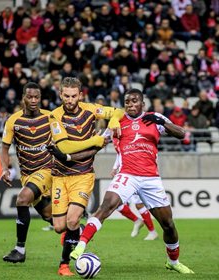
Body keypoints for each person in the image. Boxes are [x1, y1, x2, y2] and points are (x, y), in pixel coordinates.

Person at [70, 88, 194, 274]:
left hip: (151, 178)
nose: (130, 104)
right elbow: (96, 145)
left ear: (142, 104)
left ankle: (173, 262)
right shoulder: (117, 122)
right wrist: (69, 157)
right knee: (107, 205)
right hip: (127, 174)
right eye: (127, 101)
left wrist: (163, 123)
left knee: (168, 224)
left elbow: (182, 134)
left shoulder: (154, 118)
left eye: (135, 101)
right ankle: (80, 246)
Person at [49, 77, 120, 276]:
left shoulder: (91, 109)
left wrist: (113, 120)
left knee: (71, 221)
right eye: (66, 96)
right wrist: (96, 140)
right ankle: (77, 231)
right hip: (59, 176)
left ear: (80, 95)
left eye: (74, 96)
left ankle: (64, 265)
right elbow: (64, 147)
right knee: (59, 227)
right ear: (61, 95)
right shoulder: (55, 116)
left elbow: (118, 111)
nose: (70, 100)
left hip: (83, 175)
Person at [1, 82, 54, 263]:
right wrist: (4, 169)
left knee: (22, 199)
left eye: (37, 97)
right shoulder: (13, 120)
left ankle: (19, 250)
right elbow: (5, 147)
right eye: (30, 97)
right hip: (27, 175)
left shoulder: (50, 117)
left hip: (47, 170)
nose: (33, 100)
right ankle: (78, 233)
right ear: (23, 97)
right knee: (51, 217)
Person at [111, 138, 158, 241]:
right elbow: (120, 153)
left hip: (136, 172)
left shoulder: (128, 132)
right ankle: (137, 221)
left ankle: (152, 231)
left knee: (139, 204)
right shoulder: (114, 132)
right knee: (115, 202)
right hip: (124, 173)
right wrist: (115, 167)